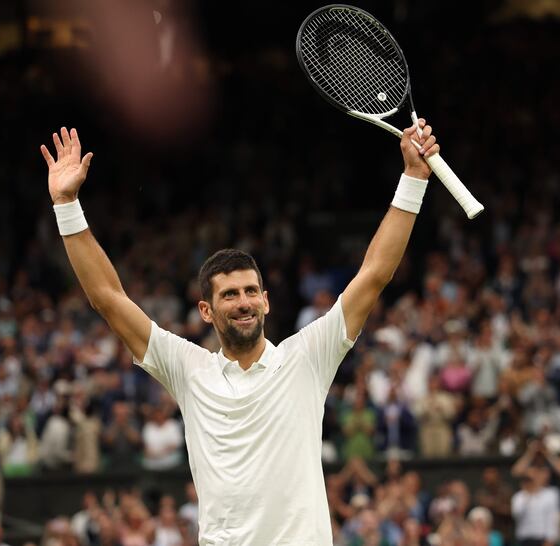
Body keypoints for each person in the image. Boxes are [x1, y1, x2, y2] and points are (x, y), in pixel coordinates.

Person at [40, 120, 440, 544]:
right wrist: (67, 205)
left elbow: (374, 274)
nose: (244, 301)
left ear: (266, 300)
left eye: (251, 291)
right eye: (229, 295)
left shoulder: (306, 358)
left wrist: (413, 178)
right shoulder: (188, 370)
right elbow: (108, 298)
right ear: (206, 311)